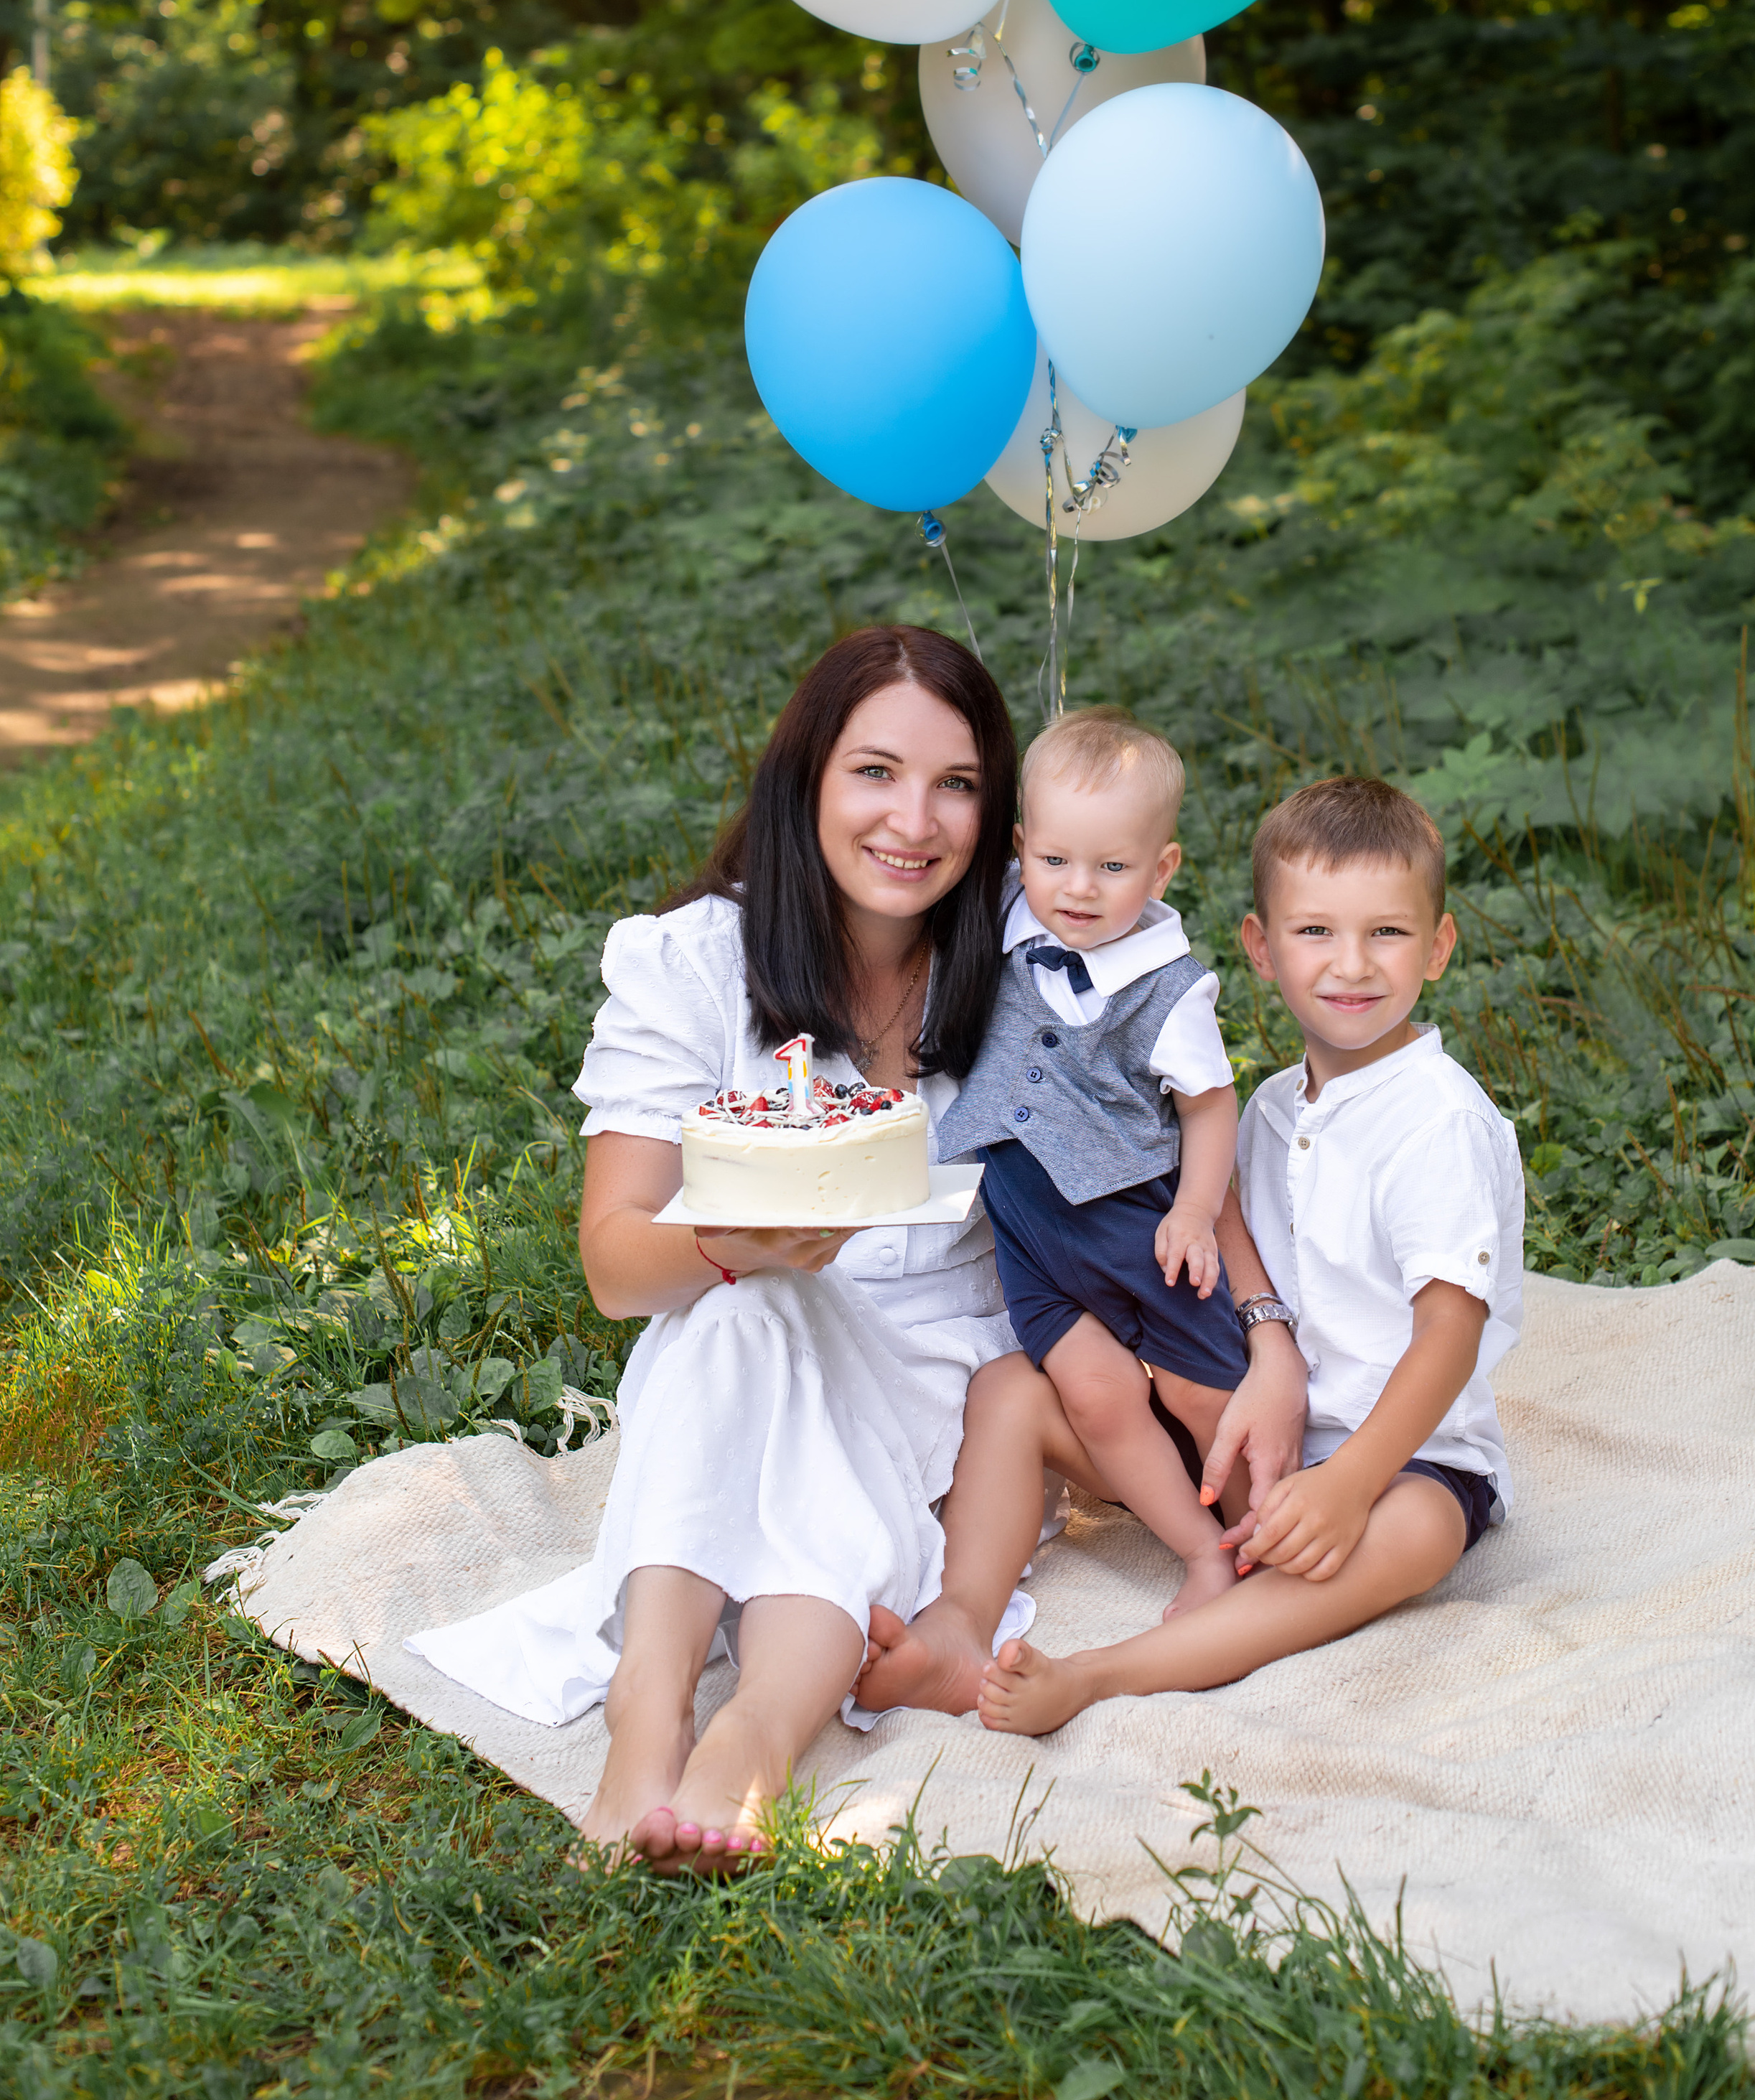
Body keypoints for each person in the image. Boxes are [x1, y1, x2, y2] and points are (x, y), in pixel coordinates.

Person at [409, 624, 1025, 1867]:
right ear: (804, 780)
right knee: (746, 1312)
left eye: (957, 784)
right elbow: (615, 1263)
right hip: (732, 1323)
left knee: (761, 1329)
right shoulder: (691, 960)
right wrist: (754, 1239)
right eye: (876, 772)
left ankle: (738, 1735)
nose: (916, 819)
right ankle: (674, 1722)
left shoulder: (1021, 959)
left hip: (932, 1379)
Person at [976, 773, 1525, 1737]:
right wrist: (1270, 1347)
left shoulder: (1434, 1117)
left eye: (1387, 933)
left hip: (1407, 1460)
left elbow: (1450, 1328)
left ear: (1437, 947)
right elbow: (1222, 1206)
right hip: (1263, 1427)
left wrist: (1350, 1481)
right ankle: (958, 1617)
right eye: (1315, 931)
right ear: (1262, 950)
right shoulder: (1271, 1104)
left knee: (1418, 1531)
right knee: (1018, 1392)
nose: (1350, 963)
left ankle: (1102, 1673)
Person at [937, 707, 1255, 1621]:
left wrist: (1193, 1212)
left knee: (1204, 1390)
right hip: (1031, 1232)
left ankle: (1264, 1534)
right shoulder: (1007, 909)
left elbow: (1208, 1104)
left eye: (1113, 867)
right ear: (1020, 849)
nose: (1078, 888)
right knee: (1099, 1399)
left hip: (1136, 1221)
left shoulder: (1170, 987)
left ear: (1160, 870)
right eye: (1055, 861)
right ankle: (1203, 1557)